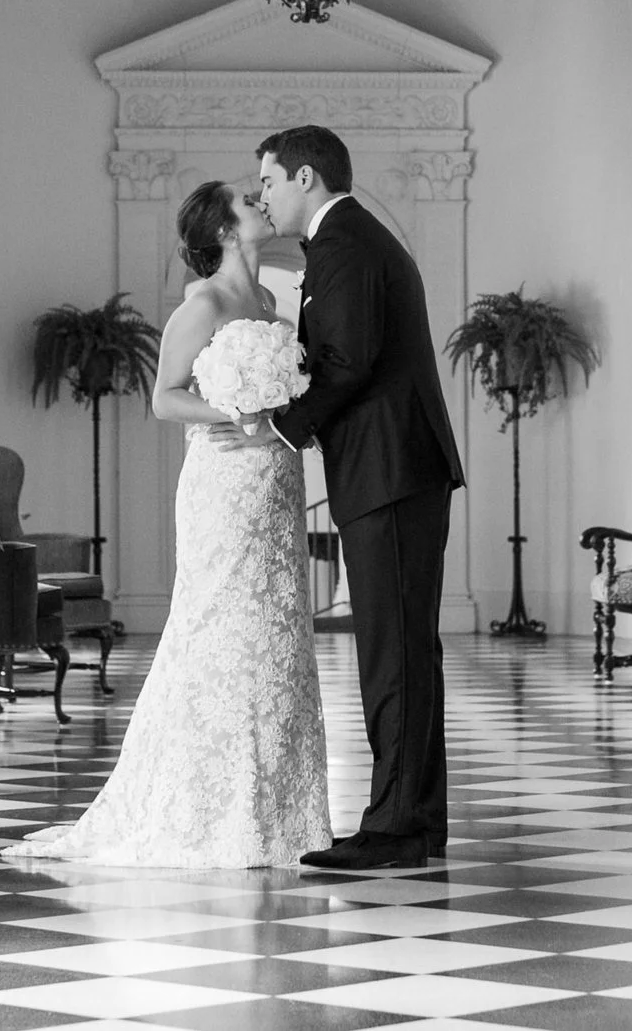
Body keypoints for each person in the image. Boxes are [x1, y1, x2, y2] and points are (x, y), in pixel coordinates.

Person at [1, 180, 330, 868]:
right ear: (224, 230)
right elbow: (164, 398)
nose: (260, 202)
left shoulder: (270, 300)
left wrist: (280, 420)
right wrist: (236, 415)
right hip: (222, 483)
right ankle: (207, 805)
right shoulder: (203, 301)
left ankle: (276, 808)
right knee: (220, 628)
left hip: (275, 480)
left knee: (275, 630)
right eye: (248, 200)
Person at [236, 124, 464, 872]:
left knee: (392, 652)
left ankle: (396, 827)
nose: (263, 196)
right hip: (395, 468)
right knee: (403, 649)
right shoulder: (350, 240)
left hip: (391, 469)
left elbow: (348, 359)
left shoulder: (346, 243)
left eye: (268, 181)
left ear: (305, 177)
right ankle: (414, 817)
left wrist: (279, 421)